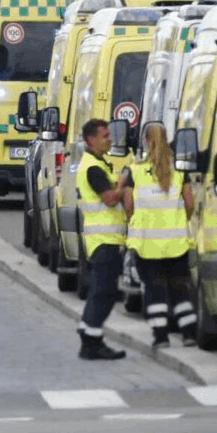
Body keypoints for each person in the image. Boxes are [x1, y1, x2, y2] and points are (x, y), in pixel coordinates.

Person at [121, 122, 198, 349]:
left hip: (146, 243)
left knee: (155, 292)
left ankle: (161, 337)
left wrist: (135, 221)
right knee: (180, 291)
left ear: (145, 140)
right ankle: (188, 334)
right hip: (177, 243)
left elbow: (128, 204)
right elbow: (190, 203)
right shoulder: (179, 171)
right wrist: (178, 220)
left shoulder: (134, 171)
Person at [76, 118, 130, 361]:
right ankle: (91, 341)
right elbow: (110, 199)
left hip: (106, 239)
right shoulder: (93, 168)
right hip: (103, 240)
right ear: (91, 140)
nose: (110, 139)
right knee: (104, 293)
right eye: (105, 135)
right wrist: (123, 184)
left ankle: (89, 333)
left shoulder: (97, 164)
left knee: (102, 291)